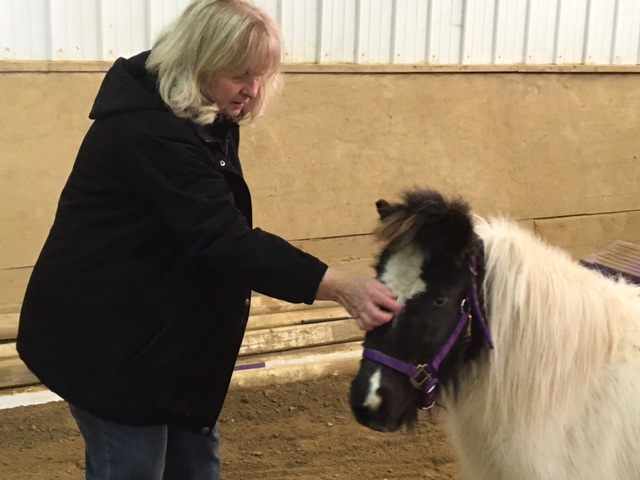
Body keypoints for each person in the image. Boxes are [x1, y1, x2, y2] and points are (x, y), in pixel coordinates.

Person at [16, 0, 401, 479]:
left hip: (165, 343)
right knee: (134, 466)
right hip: (109, 344)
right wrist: (338, 284)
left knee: (197, 466)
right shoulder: (149, 131)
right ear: (198, 61)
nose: (252, 90)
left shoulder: (205, 115)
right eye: (240, 75)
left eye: (260, 76)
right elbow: (222, 238)